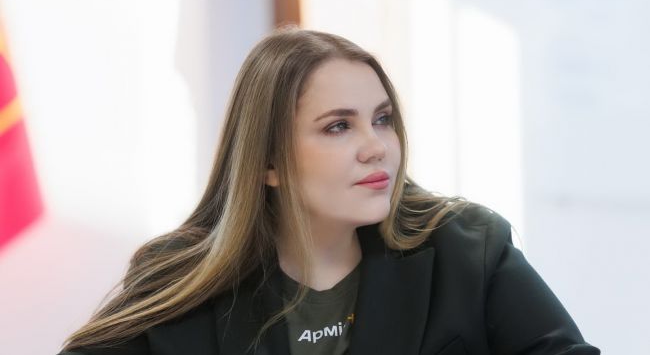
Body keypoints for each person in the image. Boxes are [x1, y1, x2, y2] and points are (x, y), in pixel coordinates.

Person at [59, 28, 600, 354]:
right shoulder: (177, 276)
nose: (377, 147)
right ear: (268, 162)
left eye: (382, 119)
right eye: (339, 126)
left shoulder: (468, 247)